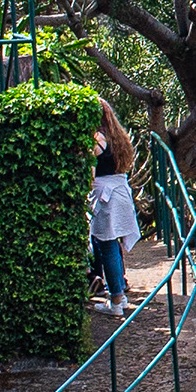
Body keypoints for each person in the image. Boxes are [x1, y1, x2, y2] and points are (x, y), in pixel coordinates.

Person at [88, 105, 140, 308]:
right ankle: (120, 295)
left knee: (107, 245)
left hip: (105, 197)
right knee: (114, 245)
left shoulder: (98, 139)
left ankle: (116, 299)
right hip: (121, 192)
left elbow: (91, 174)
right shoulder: (117, 137)